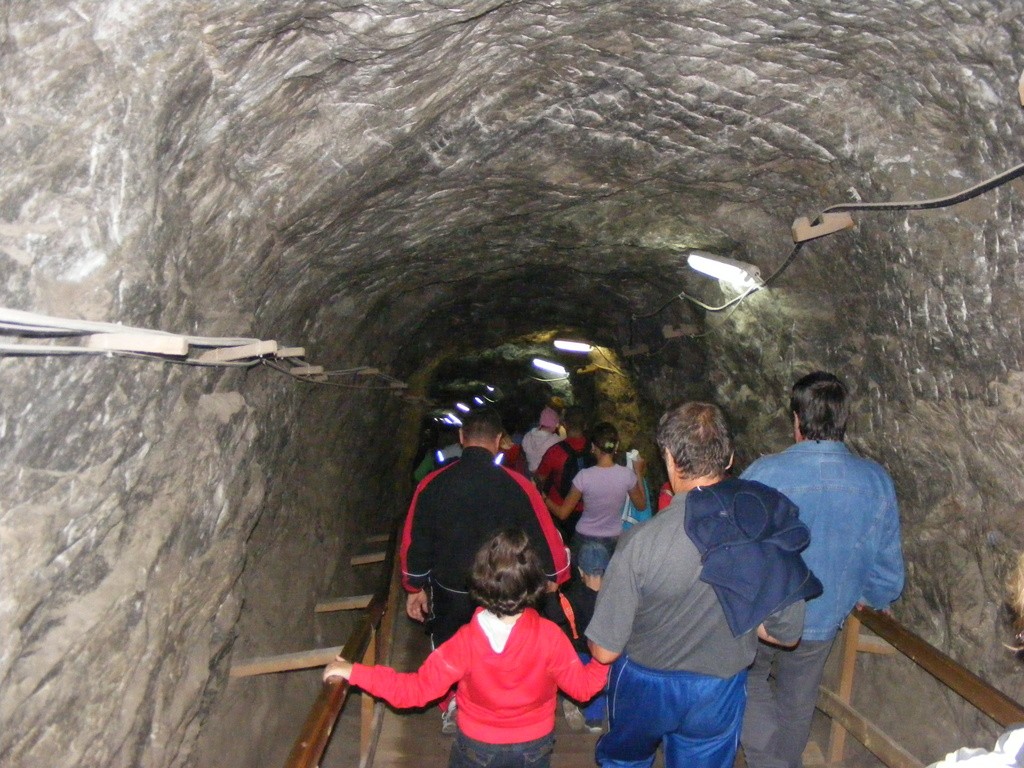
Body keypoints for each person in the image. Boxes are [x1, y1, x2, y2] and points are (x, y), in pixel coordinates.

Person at [586, 402, 816, 768]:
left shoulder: (640, 542)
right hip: (718, 686)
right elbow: (787, 634)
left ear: (669, 457)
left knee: (625, 761)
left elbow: (603, 652)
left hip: (647, 682)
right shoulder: (760, 528)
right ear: (728, 459)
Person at [325, 529, 609, 768]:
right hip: (533, 746)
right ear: (534, 585)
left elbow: (414, 690)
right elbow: (583, 688)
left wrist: (355, 672)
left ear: (481, 582)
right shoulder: (550, 637)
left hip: (478, 746)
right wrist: (604, 656)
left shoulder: (465, 642)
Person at [741, 371, 905, 768]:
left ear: (796, 419)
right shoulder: (876, 481)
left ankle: (769, 762)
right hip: (824, 615)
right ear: (843, 420)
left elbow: (738, 550)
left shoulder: (765, 473)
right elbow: (886, 571)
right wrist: (869, 598)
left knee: (748, 682)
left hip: (763, 613)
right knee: (799, 698)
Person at [401, 407, 571, 732]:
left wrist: (415, 585)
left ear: (462, 437)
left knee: (449, 643)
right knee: (499, 648)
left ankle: (452, 704)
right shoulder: (517, 485)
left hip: (450, 587)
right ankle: (503, 706)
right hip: (501, 588)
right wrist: (555, 575)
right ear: (498, 441)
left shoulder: (432, 484)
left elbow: (415, 539)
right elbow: (544, 536)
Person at [545, 421, 646, 565]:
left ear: (593, 447)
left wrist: (544, 498)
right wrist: (639, 473)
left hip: (584, 538)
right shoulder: (627, 476)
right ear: (616, 446)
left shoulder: (583, 476)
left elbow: (562, 513)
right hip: (613, 541)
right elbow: (641, 505)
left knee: (583, 584)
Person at [542, 539, 610, 733]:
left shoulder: (571, 596)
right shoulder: (614, 594)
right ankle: (598, 716)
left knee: (581, 677)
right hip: (607, 651)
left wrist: (550, 595)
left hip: (580, 652)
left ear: (580, 571)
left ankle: (580, 705)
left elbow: (555, 616)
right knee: (604, 680)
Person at [535, 405, 592, 542]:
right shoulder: (594, 450)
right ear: (585, 425)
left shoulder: (555, 452)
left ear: (564, 425)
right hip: (589, 510)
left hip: (558, 509)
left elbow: (539, 480)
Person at [521, 406, 563, 475]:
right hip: (544, 476)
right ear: (554, 423)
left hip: (528, 472)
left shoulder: (528, 435)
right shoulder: (555, 440)